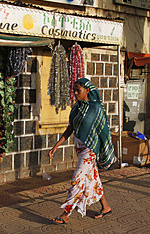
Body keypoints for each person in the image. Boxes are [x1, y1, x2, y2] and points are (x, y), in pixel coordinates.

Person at [49, 78, 117, 224]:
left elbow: (104, 132)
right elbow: (70, 129)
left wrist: (106, 150)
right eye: (73, 90)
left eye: (77, 90)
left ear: (87, 90)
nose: (75, 93)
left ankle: (66, 213)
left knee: (77, 180)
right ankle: (106, 207)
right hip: (79, 148)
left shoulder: (97, 109)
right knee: (93, 179)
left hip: (90, 150)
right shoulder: (76, 108)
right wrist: (56, 145)